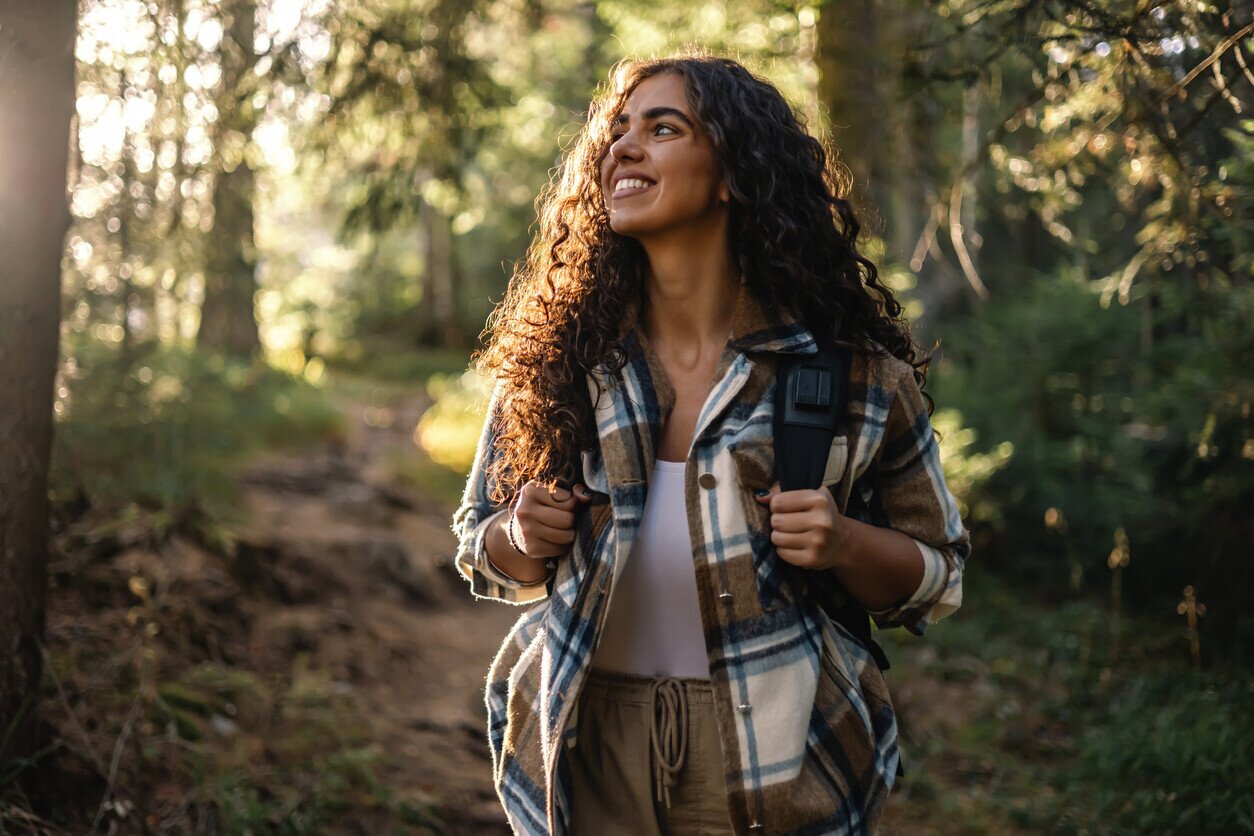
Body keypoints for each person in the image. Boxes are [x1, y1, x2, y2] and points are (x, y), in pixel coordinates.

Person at [452, 53, 969, 836]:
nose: (624, 147)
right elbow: (481, 550)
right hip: (586, 740)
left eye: (663, 129)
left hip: (775, 756)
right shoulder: (559, 366)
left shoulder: (851, 376)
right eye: (618, 132)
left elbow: (940, 573)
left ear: (733, 172)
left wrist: (843, 543)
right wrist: (519, 532)